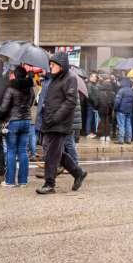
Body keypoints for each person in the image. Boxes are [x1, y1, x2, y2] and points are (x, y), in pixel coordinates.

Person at [36, 52, 87, 194]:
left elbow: (70, 101)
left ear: (61, 65)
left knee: (51, 154)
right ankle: (78, 173)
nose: (50, 67)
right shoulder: (54, 78)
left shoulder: (70, 78)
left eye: (53, 64)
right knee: (55, 152)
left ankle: (49, 184)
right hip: (49, 121)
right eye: (50, 64)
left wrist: (56, 117)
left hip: (60, 123)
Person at [0, 66, 35, 187]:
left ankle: (10, 181)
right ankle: (23, 181)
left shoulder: (11, 88)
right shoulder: (30, 88)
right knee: (23, 151)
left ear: (15, 75)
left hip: (13, 121)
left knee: (11, 150)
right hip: (26, 121)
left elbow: (4, 107)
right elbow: (31, 102)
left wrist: (1, 117)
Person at [114, 77, 133, 144]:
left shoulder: (121, 90)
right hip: (129, 110)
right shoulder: (131, 90)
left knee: (121, 125)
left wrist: (115, 108)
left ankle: (121, 140)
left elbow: (117, 101)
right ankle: (128, 139)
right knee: (128, 125)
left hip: (121, 110)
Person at [95, 76, 114, 143]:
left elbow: (96, 103)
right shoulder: (112, 93)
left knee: (102, 121)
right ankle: (107, 136)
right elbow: (114, 102)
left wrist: (97, 108)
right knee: (108, 122)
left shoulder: (99, 93)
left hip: (101, 109)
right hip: (109, 110)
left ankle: (103, 136)